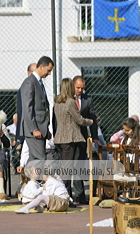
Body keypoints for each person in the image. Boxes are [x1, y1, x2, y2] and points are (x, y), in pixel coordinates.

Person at [52, 78, 93, 200]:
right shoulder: (70, 102)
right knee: (67, 170)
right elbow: (79, 119)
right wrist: (89, 121)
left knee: (65, 168)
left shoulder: (57, 102)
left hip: (60, 138)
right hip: (69, 139)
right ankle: (63, 196)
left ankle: (66, 196)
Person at [17, 56, 54, 161]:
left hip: (40, 129)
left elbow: (43, 107)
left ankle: (31, 178)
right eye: (49, 70)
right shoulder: (30, 82)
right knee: (40, 159)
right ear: (41, 67)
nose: (49, 73)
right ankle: (38, 178)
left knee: (34, 159)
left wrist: (45, 129)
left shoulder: (38, 82)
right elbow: (27, 108)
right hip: (34, 130)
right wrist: (34, 129)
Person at [72, 76, 99, 204]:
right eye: (78, 87)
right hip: (68, 136)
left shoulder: (88, 99)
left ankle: (80, 194)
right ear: (73, 86)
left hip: (82, 136)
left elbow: (92, 119)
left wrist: (94, 137)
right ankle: (72, 194)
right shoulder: (67, 99)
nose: (80, 90)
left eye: (82, 88)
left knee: (79, 165)